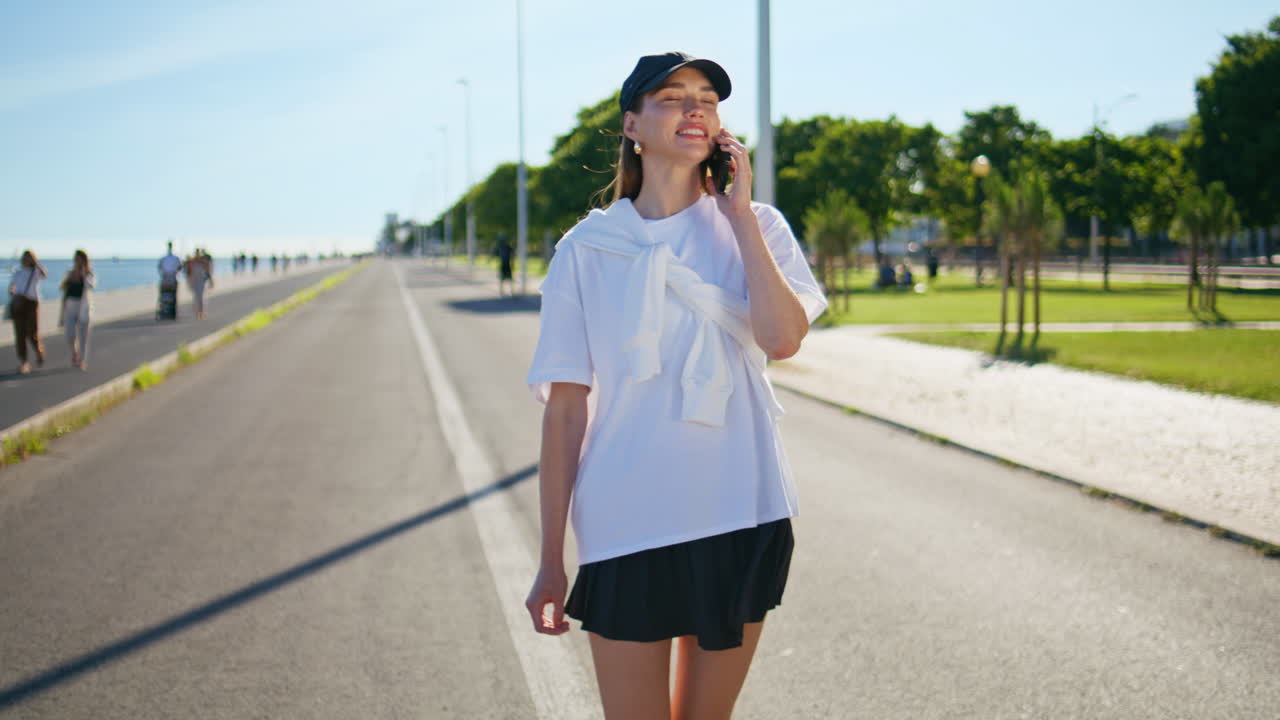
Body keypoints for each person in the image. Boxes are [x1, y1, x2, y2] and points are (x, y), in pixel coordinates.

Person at [524, 52, 828, 720]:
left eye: (707, 99)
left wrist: (739, 217)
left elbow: (782, 339)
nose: (695, 109)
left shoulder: (758, 224)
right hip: (625, 522)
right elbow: (566, 413)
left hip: (742, 508)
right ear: (632, 125)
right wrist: (550, 559)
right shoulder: (586, 249)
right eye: (672, 97)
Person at [7, 250, 48, 374]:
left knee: (32, 331)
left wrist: (36, 263)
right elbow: (11, 287)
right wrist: (14, 296)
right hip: (19, 303)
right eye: (25, 257)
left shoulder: (35, 271)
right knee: (20, 333)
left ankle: (38, 350)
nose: (26, 260)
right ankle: (23, 362)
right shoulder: (18, 271)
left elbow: (44, 274)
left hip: (31, 302)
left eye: (29, 257)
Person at [59, 249, 95, 370]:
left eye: (80, 259)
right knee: (70, 334)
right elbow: (62, 288)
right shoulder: (69, 272)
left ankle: (81, 360)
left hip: (83, 306)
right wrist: (69, 279)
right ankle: (74, 352)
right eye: (76, 259)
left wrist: (83, 275)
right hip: (70, 306)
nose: (77, 261)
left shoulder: (89, 273)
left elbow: (91, 285)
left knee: (83, 336)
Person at [185, 248, 213, 319]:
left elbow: (207, 270)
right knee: (196, 296)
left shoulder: (202, 261)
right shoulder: (193, 261)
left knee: (201, 296)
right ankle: (197, 312)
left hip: (201, 280)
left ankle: (201, 312)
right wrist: (189, 280)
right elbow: (188, 271)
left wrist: (210, 280)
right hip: (195, 280)